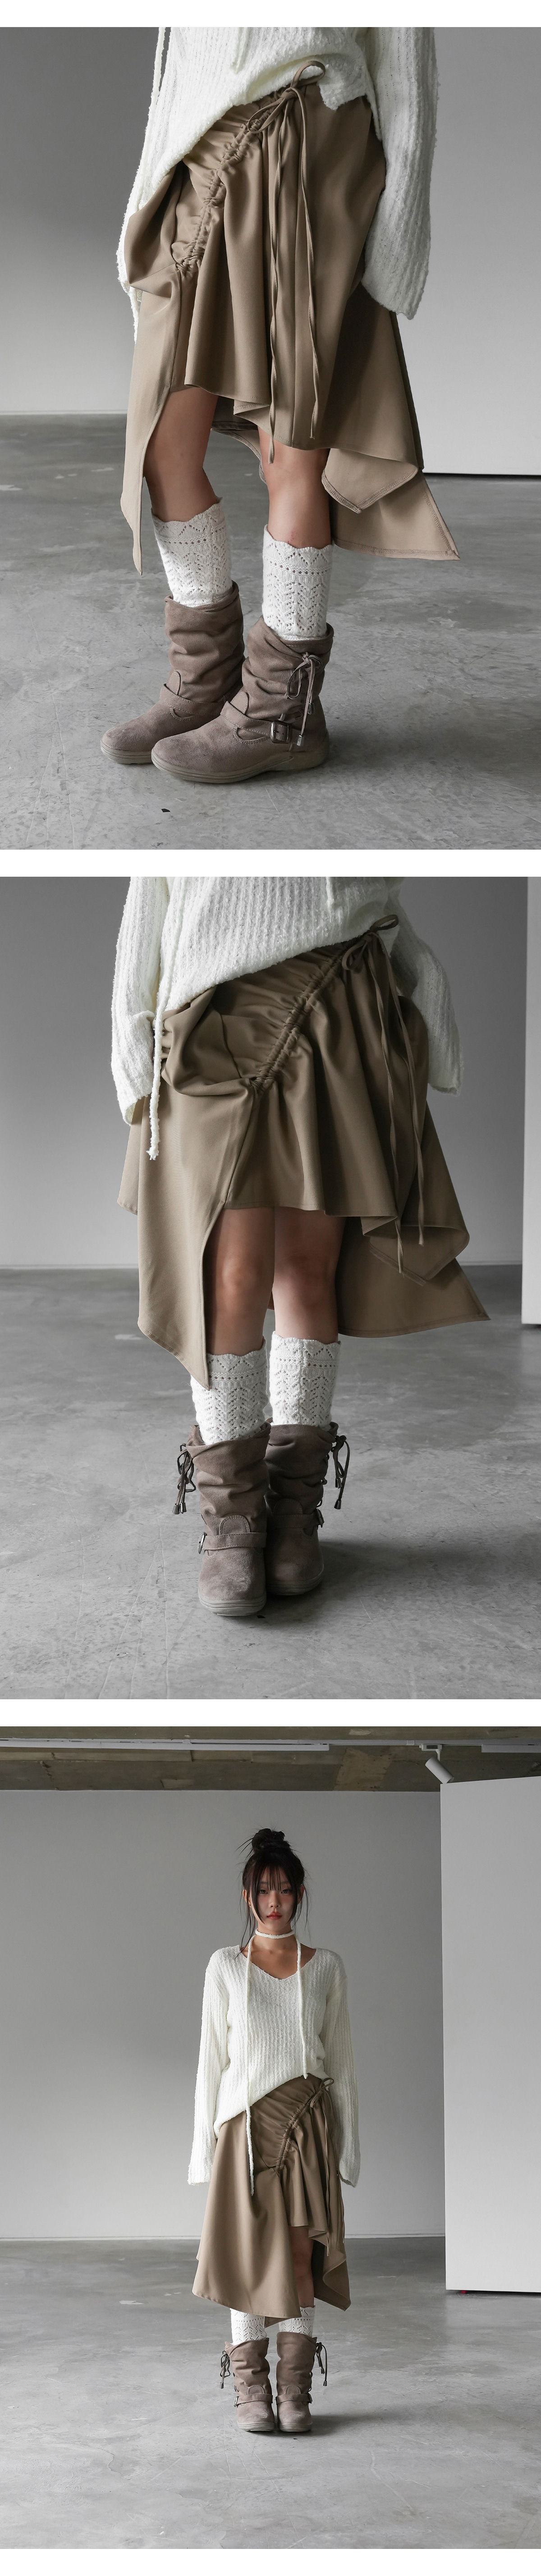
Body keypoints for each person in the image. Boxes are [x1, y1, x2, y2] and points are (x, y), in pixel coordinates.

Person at [111, 872, 486, 1615]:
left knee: (308, 1272)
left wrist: (424, 994)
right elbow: (148, 908)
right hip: (215, 1014)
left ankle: (291, 1510)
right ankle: (232, 1518)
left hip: (339, 1005)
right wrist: (132, 1048)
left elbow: (372, 897)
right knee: (232, 1275)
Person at [102, 27, 457, 783]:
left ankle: (280, 710)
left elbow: (408, 71)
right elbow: (180, 62)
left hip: (309, 143)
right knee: (164, 445)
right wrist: (149, 193)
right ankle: (207, 681)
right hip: (204, 155)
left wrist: (394, 246)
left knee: (291, 450)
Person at [188, 1822, 360, 2433]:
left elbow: (342, 2063)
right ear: (247, 1896)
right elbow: (211, 2060)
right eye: (263, 1890)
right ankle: (251, 2393)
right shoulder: (224, 1967)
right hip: (244, 2129)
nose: (274, 1901)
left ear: (299, 1894)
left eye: (284, 1889)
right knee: (246, 2261)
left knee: (297, 2258)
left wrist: (347, 2150)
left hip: (307, 2127)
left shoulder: (327, 1968)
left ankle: (294, 2395)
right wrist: (203, 2151)